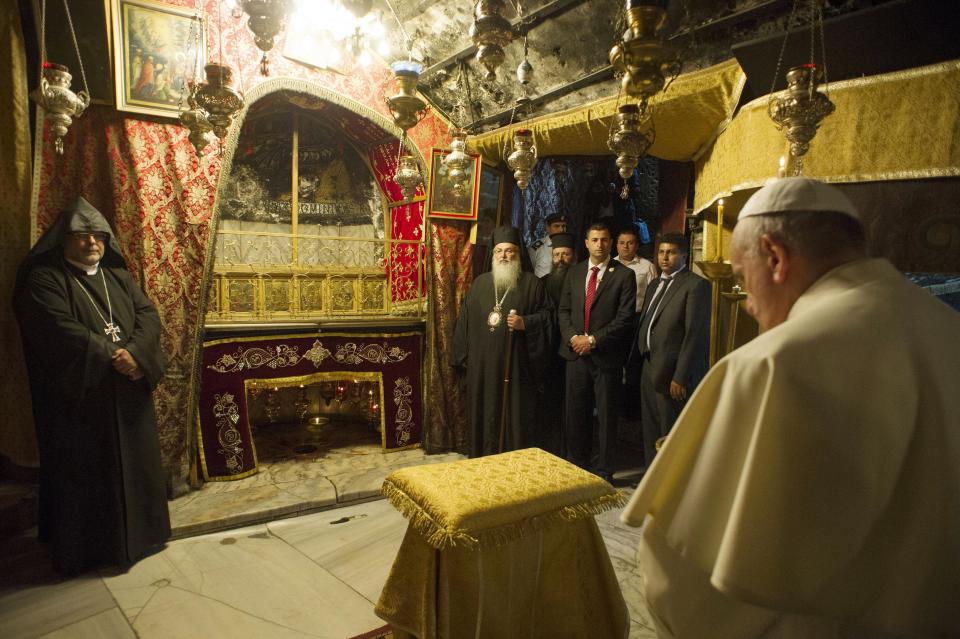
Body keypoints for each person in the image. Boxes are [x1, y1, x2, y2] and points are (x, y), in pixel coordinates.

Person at [621, 177, 960, 639]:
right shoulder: (946, 329)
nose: (748, 306)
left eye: (743, 280)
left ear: (775, 258)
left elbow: (684, 581)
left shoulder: (770, 363)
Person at [13, 197, 171, 576]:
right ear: (63, 239)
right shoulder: (45, 278)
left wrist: (135, 354)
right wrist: (112, 355)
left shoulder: (117, 275)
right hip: (81, 398)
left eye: (98, 235)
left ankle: (143, 537)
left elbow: (147, 315)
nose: (92, 243)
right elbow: (57, 328)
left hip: (128, 392)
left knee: (134, 467)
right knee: (87, 473)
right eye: (82, 235)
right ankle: (91, 550)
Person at [452, 226, 553, 457]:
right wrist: (464, 359)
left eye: (510, 251)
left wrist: (525, 323)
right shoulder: (479, 285)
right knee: (484, 414)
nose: (504, 256)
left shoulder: (532, 284)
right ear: (493, 254)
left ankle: (513, 461)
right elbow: (463, 325)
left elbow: (549, 319)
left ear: (518, 254)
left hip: (516, 370)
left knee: (514, 417)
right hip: (482, 370)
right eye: (499, 251)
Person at [558, 223, 636, 481]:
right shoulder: (575, 272)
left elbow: (624, 318)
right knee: (576, 413)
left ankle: (604, 471)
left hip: (606, 357)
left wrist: (592, 340)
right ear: (586, 243)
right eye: (595, 239)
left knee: (606, 416)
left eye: (604, 240)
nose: (600, 244)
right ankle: (576, 464)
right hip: (576, 356)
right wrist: (573, 338)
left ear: (611, 242)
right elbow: (564, 311)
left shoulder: (624, 275)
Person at [635, 232, 710, 468]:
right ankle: (650, 480)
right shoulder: (656, 283)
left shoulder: (695, 286)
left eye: (671, 252)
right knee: (650, 430)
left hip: (672, 374)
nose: (664, 257)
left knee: (669, 434)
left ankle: (668, 489)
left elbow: (694, 335)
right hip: (649, 366)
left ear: (684, 255)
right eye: (661, 252)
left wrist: (680, 375)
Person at [536, 231, 576, 453]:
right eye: (557, 254)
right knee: (549, 400)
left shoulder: (580, 279)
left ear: (574, 256)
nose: (561, 259)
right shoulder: (542, 283)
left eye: (566, 254)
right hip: (549, 350)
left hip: (572, 349)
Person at [615, 227, 658, 419]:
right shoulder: (610, 265)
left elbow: (655, 294)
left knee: (634, 365)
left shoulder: (646, 266)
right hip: (613, 320)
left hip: (637, 319)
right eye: (622, 243)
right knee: (614, 363)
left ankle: (632, 410)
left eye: (630, 242)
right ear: (616, 245)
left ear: (637, 245)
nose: (626, 246)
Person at [528, 213, 569, 277]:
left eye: (563, 226)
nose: (561, 230)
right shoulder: (537, 247)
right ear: (548, 228)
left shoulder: (569, 246)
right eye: (557, 226)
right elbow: (529, 269)